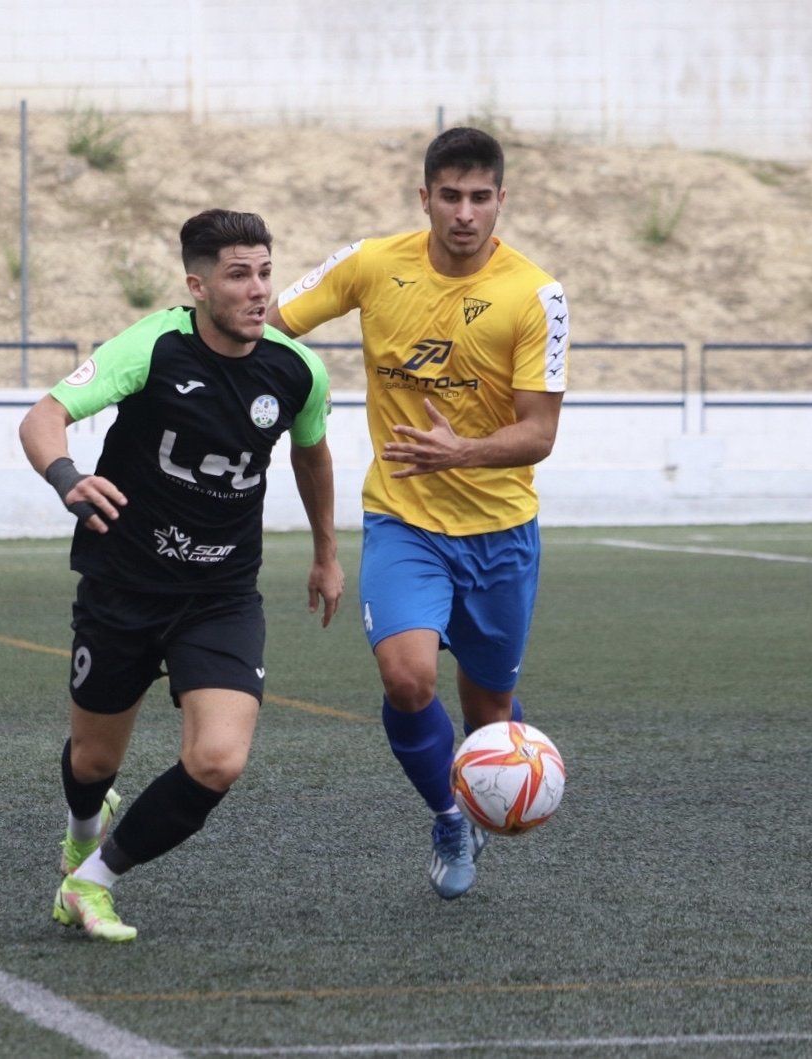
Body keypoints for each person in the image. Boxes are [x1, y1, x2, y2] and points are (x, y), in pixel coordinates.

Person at [18, 208, 343, 942]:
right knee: (94, 758)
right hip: (124, 583)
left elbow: (311, 453)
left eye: (264, 271)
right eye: (238, 275)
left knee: (218, 759)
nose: (259, 290)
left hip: (221, 593)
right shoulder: (152, 346)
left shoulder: (297, 369)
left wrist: (325, 552)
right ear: (197, 285)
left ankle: (92, 881)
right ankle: (82, 827)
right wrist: (67, 476)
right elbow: (42, 417)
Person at [267, 127, 567, 900]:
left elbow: (539, 433)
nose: (464, 213)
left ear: (501, 199)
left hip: (501, 532)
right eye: (449, 196)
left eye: (479, 198)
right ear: (423, 197)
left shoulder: (536, 295)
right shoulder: (371, 263)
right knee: (406, 678)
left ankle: (500, 767)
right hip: (404, 520)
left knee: (488, 710)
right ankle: (447, 812)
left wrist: (458, 452)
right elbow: (271, 327)